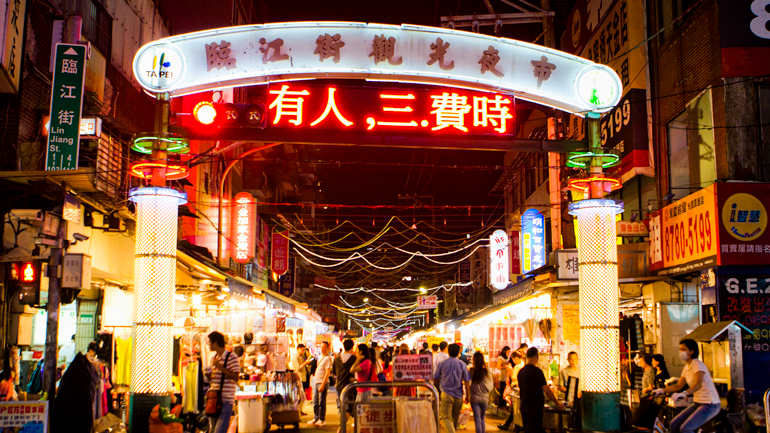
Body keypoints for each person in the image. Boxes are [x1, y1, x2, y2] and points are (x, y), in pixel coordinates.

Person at [653, 340, 721, 433]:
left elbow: (698, 384)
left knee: (686, 429)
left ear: (692, 351)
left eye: (683, 349)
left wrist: (683, 394)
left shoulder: (697, 364)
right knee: (674, 425)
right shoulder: (687, 367)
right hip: (698, 403)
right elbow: (678, 386)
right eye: (680, 349)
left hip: (710, 404)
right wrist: (661, 390)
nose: (681, 352)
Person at [500, 348, 564, 432]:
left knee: (527, 429)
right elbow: (547, 391)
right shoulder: (537, 372)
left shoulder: (521, 372)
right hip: (535, 408)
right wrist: (557, 403)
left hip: (524, 406)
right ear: (537, 357)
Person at [206, 331, 240, 433]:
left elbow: (236, 377)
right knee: (213, 430)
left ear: (216, 343)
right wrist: (208, 375)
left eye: (210, 342)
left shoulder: (232, 357)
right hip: (213, 399)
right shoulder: (214, 358)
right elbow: (214, 380)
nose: (209, 345)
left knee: (219, 431)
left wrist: (219, 367)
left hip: (226, 399)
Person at [434, 343, 471, 433]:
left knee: (446, 417)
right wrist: (468, 395)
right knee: (454, 418)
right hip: (458, 395)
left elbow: (435, 378)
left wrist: (440, 387)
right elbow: (466, 381)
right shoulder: (462, 365)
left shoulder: (442, 364)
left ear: (448, 351)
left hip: (446, 394)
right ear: (459, 352)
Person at [309, 341, 333, 427]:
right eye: (321, 347)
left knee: (321, 402)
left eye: (324, 347)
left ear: (328, 348)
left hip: (322, 382)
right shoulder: (320, 357)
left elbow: (327, 372)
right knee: (315, 401)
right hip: (316, 381)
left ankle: (322, 419)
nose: (322, 349)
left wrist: (323, 384)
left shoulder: (328, 358)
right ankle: (316, 417)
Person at [334, 339, 358, 425]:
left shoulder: (337, 358)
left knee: (341, 407)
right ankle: (342, 428)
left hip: (339, 385)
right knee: (348, 408)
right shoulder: (354, 359)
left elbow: (334, 372)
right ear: (352, 347)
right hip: (349, 387)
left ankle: (342, 426)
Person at [469, 351, 494, 433]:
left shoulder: (471, 371)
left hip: (474, 398)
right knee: (482, 418)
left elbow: (468, 383)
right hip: (484, 398)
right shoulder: (487, 371)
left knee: (477, 419)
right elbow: (490, 385)